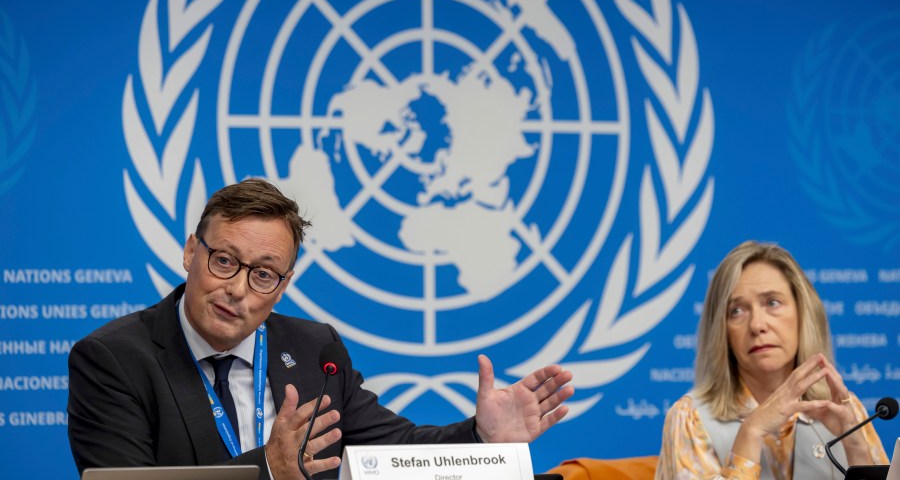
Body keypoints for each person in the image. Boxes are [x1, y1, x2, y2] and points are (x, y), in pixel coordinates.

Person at [68, 178, 574, 480]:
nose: (238, 289)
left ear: (283, 285)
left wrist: (483, 438)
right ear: (189, 252)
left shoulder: (312, 349)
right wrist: (265, 471)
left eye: (263, 274)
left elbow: (395, 453)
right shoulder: (114, 359)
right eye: (224, 261)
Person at [655, 241, 888, 479]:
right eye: (736, 310)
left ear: (802, 313)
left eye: (772, 303)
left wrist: (856, 448)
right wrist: (751, 431)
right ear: (722, 331)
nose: (757, 325)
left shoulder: (844, 408)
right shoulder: (690, 419)